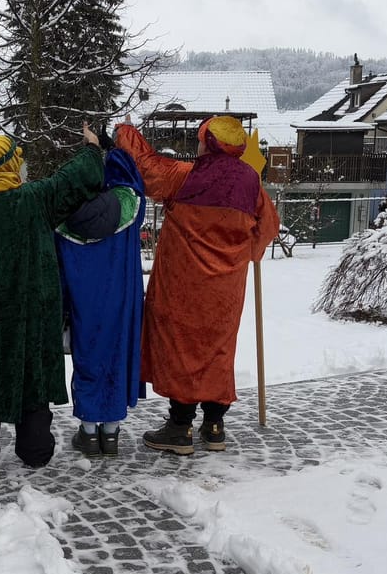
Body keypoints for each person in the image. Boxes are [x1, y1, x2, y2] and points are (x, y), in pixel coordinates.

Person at [115, 114, 279, 455]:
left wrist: (126, 131)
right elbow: (268, 226)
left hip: (183, 286)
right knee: (219, 350)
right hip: (226, 290)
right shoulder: (250, 182)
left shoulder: (186, 176)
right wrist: (246, 252)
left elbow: (146, 167)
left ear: (210, 144)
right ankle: (214, 426)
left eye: (202, 139)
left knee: (182, 351)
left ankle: (180, 428)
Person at [0, 123, 104, 468]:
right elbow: (76, 178)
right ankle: (35, 448)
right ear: (10, 164)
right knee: (33, 371)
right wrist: (91, 147)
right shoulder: (35, 199)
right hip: (35, 310)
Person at [55, 131, 146, 457]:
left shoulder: (64, 214)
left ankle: (89, 433)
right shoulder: (130, 207)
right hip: (120, 303)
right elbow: (134, 180)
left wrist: (89, 154)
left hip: (83, 304)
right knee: (116, 356)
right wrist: (119, 146)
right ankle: (111, 433)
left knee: (88, 358)